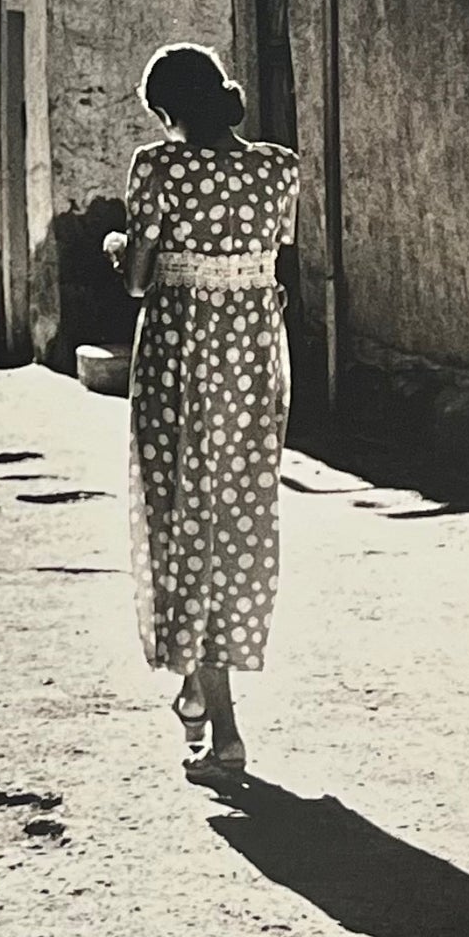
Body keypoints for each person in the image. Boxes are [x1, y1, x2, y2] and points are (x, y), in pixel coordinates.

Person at [103, 43, 300, 790]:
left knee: (183, 520)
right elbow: (271, 257)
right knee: (237, 521)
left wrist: (119, 246)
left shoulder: (158, 168)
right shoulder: (278, 168)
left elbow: (137, 280)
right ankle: (195, 687)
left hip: (179, 362)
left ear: (166, 111)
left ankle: (226, 733)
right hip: (252, 361)